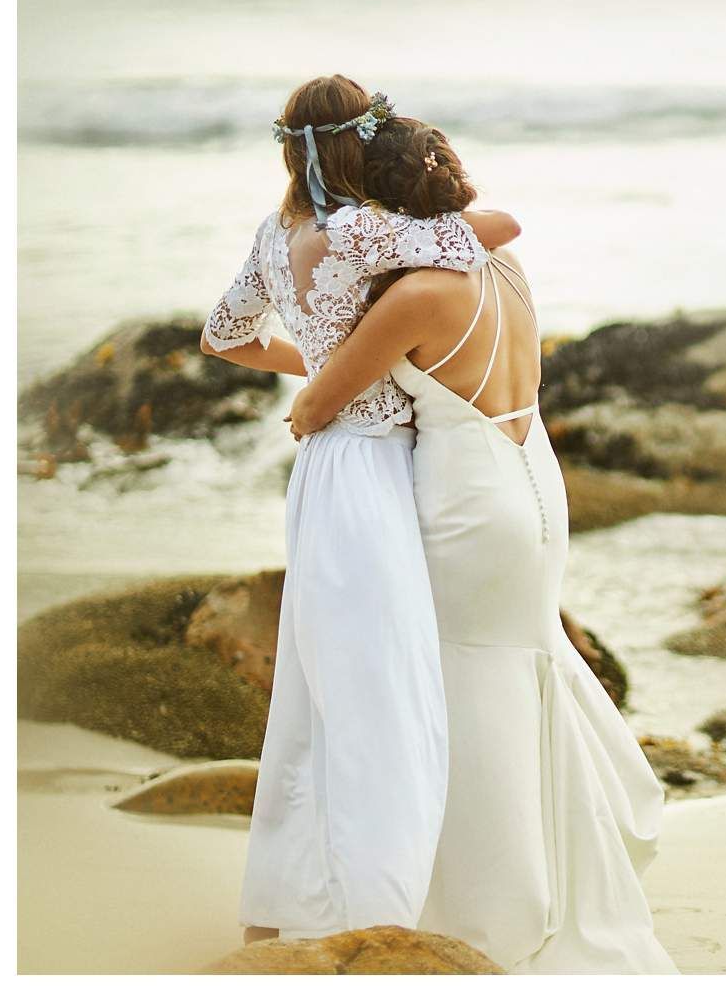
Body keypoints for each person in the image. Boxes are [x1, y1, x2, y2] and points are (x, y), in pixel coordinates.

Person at [287, 116, 677, 974]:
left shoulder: (415, 298)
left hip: (468, 497)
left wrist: (308, 390)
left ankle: (483, 909)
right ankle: (562, 882)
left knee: (463, 684)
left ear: (388, 206)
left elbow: (318, 404)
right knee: (525, 664)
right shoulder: (502, 264)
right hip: (533, 476)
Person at [199, 76, 522, 944]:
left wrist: (322, 365)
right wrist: (348, 365)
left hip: (320, 470)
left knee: (319, 689)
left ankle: (289, 900)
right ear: (357, 141)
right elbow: (497, 229)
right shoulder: (362, 229)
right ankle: (375, 912)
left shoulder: (275, 232)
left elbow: (223, 336)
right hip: (375, 469)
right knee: (383, 688)